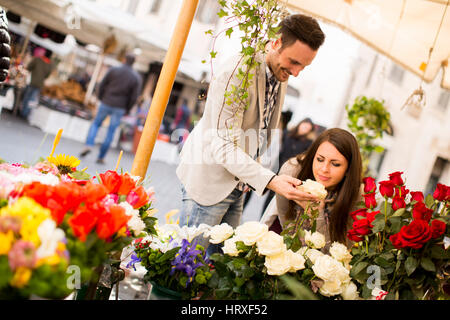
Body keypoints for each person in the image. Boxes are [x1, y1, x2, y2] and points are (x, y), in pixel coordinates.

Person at [176, 14, 325, 253]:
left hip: (237, 186)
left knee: (218, 270)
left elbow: (256, 131)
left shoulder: (280, 72)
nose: (296, 73)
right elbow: (222, 145)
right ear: (276, 43)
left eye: (303, 67)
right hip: (209, 184)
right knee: (186, 269)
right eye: (294, 62)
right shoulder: (236, 73)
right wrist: (272, 180)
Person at [261, 128, 363, 251]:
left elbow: (335, 251)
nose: (324, 169)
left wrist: (318, 214)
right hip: (281, 240)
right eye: (320, 159)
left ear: (348, 169)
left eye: (335, 164)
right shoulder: (292, 170)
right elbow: (285, 221)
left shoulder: (357, 196)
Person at [79, 53, 142, 164]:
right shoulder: (135, 77)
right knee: (111, 132)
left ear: (124, 59)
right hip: (120, 107)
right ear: (133, 63)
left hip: (106, 102)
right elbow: (134, 97)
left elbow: (102, 84)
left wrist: (101, 97)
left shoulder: (114, 70)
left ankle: (89, 145)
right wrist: (127, 109)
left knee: (96, 124)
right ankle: (101, 156)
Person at [258, 117, 317, 216]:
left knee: (277, 199)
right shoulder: (287, 134)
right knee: (269, 195)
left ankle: (268, 219)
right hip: (277, 168)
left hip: (290, 173)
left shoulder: (308, 143)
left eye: (308, 128)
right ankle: (262, 217)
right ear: (300, 124)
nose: (305, 129)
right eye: (304, 126)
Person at [20, 47, 53, 119]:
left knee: (27, 96)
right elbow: (47, 75)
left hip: (32, 81)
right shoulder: (50, 64)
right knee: (32, 98)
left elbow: (29, 67)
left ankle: (22, 112)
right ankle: (26, 113)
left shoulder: (38, 59)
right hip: (40, 84)